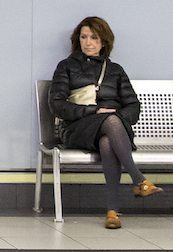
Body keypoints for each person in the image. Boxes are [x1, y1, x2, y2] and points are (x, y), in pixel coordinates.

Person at [49, 16, 161, 229]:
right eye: (84, 37)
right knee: (110, 121)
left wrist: (116, 117)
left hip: (112, 130)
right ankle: (138, 180)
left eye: (94, 37)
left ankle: (112, 212)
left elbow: (134, 108)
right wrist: (93, 111)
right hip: (77, 129)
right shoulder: (66, 67)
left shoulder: (116, 70)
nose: (88, 42)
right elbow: (57, 105)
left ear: (104, 42)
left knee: (108, 140)